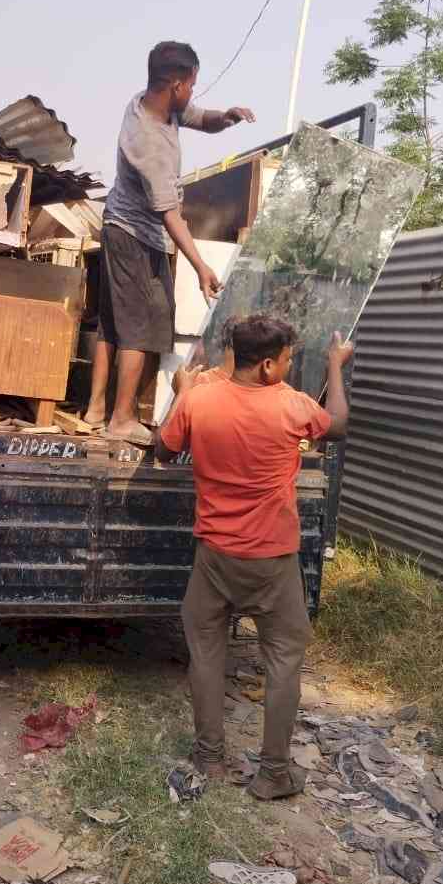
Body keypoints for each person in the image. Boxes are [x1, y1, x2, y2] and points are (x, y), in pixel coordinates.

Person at [156, 314, 353, 800]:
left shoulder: (200, 398)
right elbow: (340, 426)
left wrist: (182, 388)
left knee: (206, 652)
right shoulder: (292, 406)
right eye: (287, 359)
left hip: (215, 556)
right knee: (284, 659)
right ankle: (274, 774)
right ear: (267, 365)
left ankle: (208, 756)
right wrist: (335, 364)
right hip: (272, 560)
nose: (288, 366)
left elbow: (162, 449)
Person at [84, 41, 255, 445]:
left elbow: (200, 118)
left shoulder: (151, 101)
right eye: (192, 85)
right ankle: (121, 418)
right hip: (134, 234)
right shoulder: (149, 142)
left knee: (114, 323)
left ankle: (94, 410)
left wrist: (226, 117)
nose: (193, 93)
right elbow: (169, 214)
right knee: (139, 327)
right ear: (177, 84)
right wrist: (201, 266)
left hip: (122, 226)